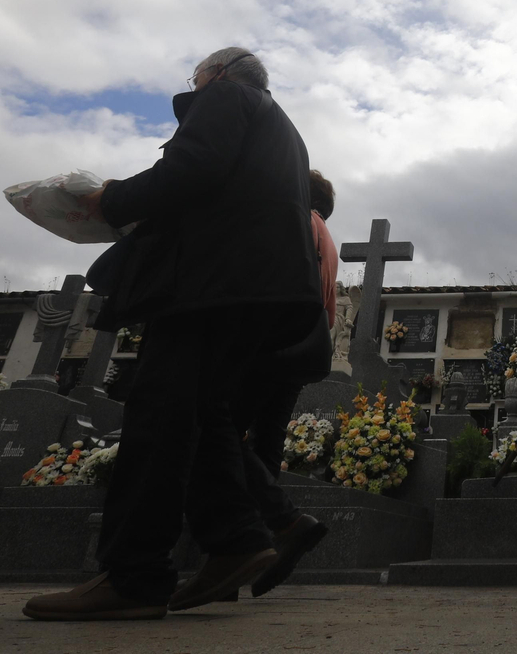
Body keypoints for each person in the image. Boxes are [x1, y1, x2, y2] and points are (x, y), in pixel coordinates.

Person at [23, 47, 324, 621]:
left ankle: (135, 575)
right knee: (200, 413)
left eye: (196, 77)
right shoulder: (278, 124)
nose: (194, 85)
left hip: (210, 283)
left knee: (159, 413)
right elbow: (219, 185)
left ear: (219, 74)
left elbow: (191, 169)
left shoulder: (226, 97)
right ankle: (236, 537)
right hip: (248, 286)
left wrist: (107, 198)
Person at [232, 168, 343, 599]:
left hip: (271, 342)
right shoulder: (328, 242)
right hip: (304, 349)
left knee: (217, 430)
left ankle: (276, 527)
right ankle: (251, 550)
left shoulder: (298, 219)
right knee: (265, 445)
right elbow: (330, 310)